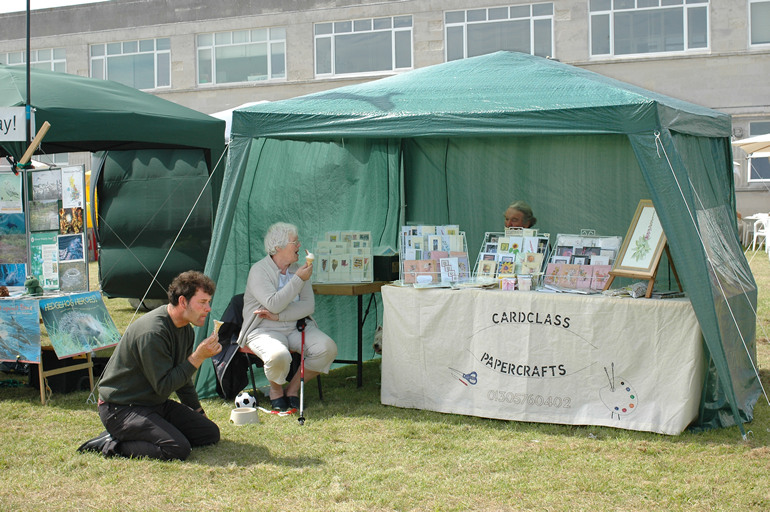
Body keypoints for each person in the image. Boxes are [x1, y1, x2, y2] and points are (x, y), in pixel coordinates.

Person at [77, 271, 222, 460]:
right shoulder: (153, 332)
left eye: (208, 302)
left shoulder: (185, 329)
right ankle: (111, 443)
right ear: (183, 302)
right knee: (178, 449)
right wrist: (198, 357)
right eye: (202, 302)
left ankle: (154, 432)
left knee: (209, 433)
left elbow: (182, 378)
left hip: (152, 404)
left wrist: (197, 411)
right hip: (121, 408)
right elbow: (163, 386)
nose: (208, 308)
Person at [237, 222, 337, 411]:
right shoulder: (259, 271)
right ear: (278, 248)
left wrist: (278, 316)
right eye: (294, 242)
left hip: (296, 326)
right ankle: (275, 390)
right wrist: (298, 279)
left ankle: (292, 389)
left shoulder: (299, 268)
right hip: (263, 329)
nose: (299, 245)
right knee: (278, 356)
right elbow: (273, 303)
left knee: (327, 348)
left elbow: (309, 306)